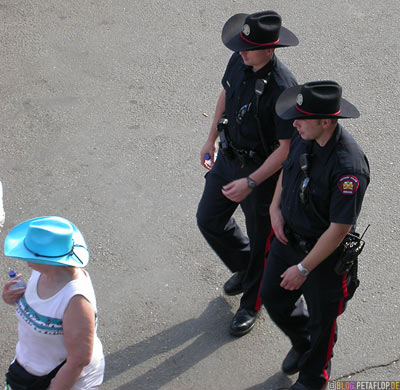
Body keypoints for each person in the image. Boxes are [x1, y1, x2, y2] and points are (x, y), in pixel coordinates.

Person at [260, 81, 370, 390]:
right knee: (273, 295)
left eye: (302, 118)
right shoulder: (304, 134)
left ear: (326, 121)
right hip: (289, 238)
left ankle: (313, 378)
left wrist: (303, 269)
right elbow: (289, 167)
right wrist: (274, 208)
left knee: (323, 325)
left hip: (323, 258)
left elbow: (339, 229)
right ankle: (303, 342)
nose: (293, 123)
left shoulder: (349, 168)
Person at [196, 10, 299, 336]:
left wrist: (251, 182)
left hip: (261, 175)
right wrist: (211, 137)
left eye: (250, 47)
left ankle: (252, 302)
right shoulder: (239, 60)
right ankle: (244, 268)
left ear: (270, 49)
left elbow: (286, 149)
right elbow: (227, 93)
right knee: (209, 219)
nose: (241, 51)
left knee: (261, 244)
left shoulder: (283, 88)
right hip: (228, 158)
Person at [2, 216, 104, 390]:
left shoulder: (76, 301)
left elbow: (78, 361)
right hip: (26, 372)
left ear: (46, 260)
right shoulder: (41, 273)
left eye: (29, 254)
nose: (24, 259)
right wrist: (10, 298)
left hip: (60, 382)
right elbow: (39, 313)